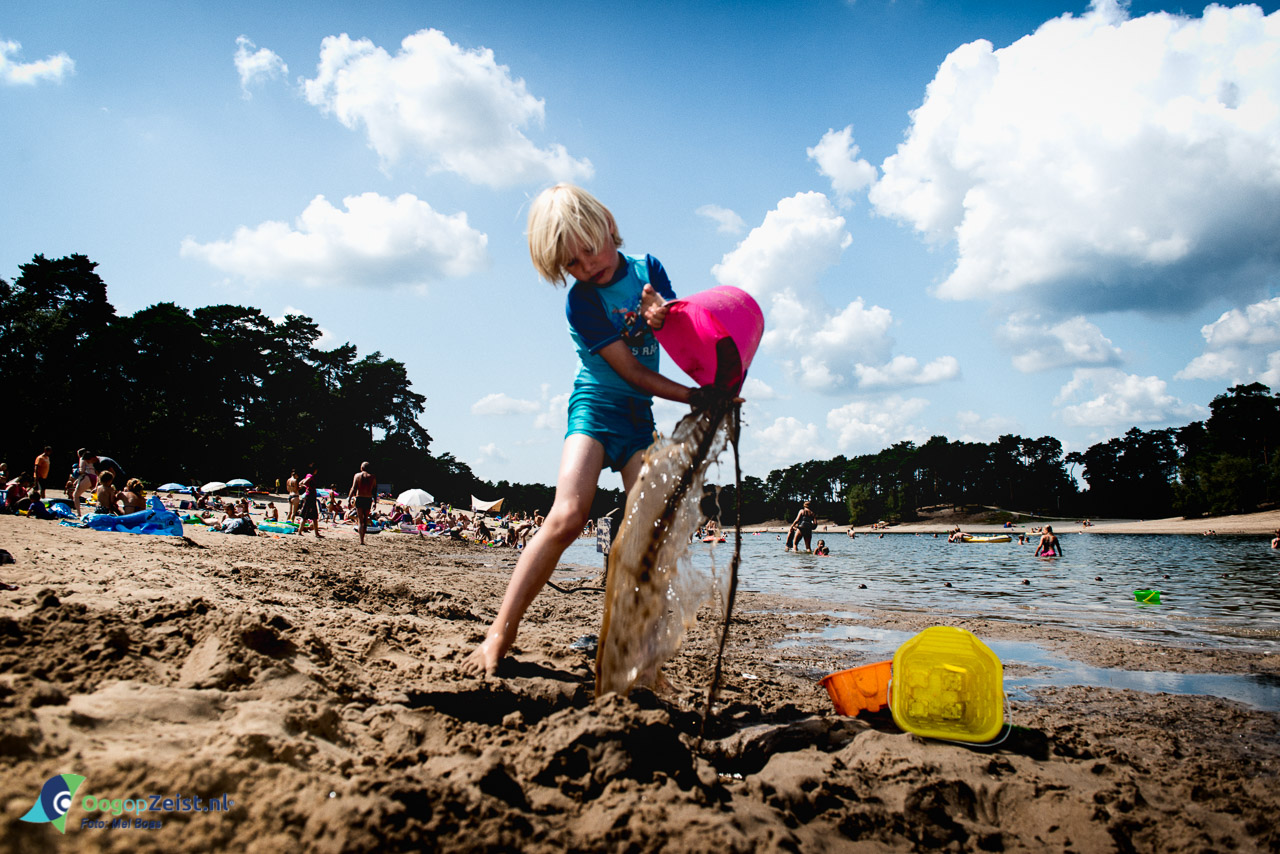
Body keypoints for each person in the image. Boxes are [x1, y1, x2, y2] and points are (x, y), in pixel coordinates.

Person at [462, 183, 734, 677]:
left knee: (649, 530)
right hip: (596, 409)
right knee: (568, 515)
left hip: (638, 420)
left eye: (589, 250)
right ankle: (499, 634)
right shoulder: (582, 303)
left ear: (608, 226)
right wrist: (696, 399)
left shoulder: (649, 268)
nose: (587, 267)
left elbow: (679, 334)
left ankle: (638, 640)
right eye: (572, 264)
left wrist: (664, 317)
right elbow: (631, 372)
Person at [348, 462, 377, 545]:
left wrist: (349, 500)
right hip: (368, 499)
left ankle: (361, 540)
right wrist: (375, 502)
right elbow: (374, 490)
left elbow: (353, 488)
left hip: (359, 498)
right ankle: (363, 539)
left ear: (362, 468)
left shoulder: (357, 475)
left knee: (360, 520)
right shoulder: (372, 477)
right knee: (365, 520)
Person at [70, 449, 98, 516]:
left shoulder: (82, 459)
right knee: (96, 496)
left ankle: (79, 513)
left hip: (88, 477)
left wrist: (76, 472)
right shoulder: (94, 458)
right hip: (95, 477)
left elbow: (82, 471)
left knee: (76, 495)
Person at [297, 473, 321, 538]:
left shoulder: (307, 475)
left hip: (309, 497)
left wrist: (305, 486)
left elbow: (300, 483)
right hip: (310, 497)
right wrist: (306, 485)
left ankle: (300, 532)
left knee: (307, 516)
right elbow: (303, 482)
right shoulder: (310, 476)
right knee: (312, 516)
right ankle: (316, 533)